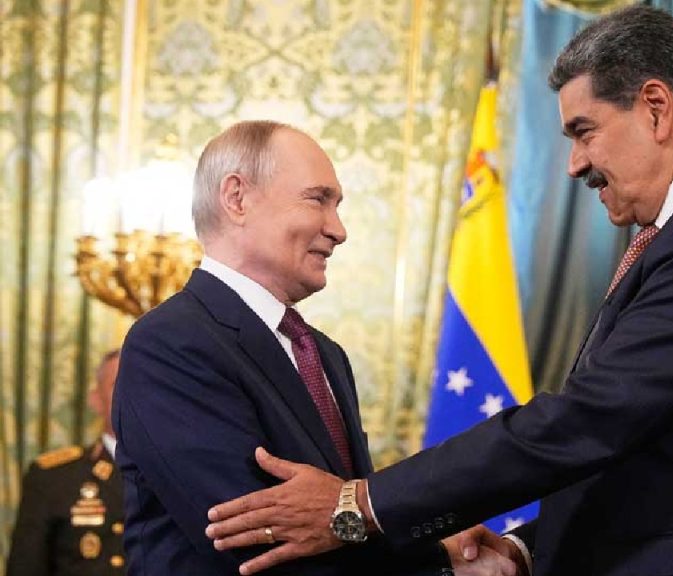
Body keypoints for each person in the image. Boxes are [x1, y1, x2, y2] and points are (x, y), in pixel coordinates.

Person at [205, 6, 673, 576]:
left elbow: (595, 419)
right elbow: (652, 453)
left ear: (655, 107)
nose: (575, 165)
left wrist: (359, 504)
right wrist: (528, 550)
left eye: (584, 132)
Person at [112, 121, 513, 576]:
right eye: (318, 199)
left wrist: (436, 543)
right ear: (237, 198)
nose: (338, 230)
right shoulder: (171, 343)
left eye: (337, 205)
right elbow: (265, 548)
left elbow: (336, 518)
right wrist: (440, 559)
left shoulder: (324, 354)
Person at [6, 350, 125, 575]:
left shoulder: (179, 471)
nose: (132, 395)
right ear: (96, 400)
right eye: (119, 384)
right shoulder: (54, 478)